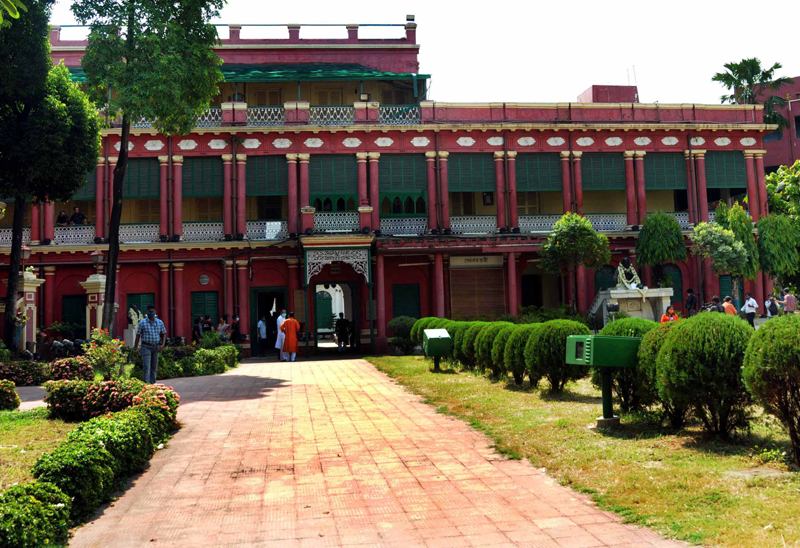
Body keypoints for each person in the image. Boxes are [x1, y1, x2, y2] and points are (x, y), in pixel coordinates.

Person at [133, 304, 166, 383]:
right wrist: (135, 348)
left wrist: (163, 344)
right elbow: (138, 335)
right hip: (146, 347)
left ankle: (153, 383)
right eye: (150, 311)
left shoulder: (159, 322)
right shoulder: (142, 322)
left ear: (155, 312)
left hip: (156, 346)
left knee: (154, 367)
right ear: (147, 312)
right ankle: (146, 384)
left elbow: (164, 333)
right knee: (147, 366)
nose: (151, 313)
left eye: (153, 312)